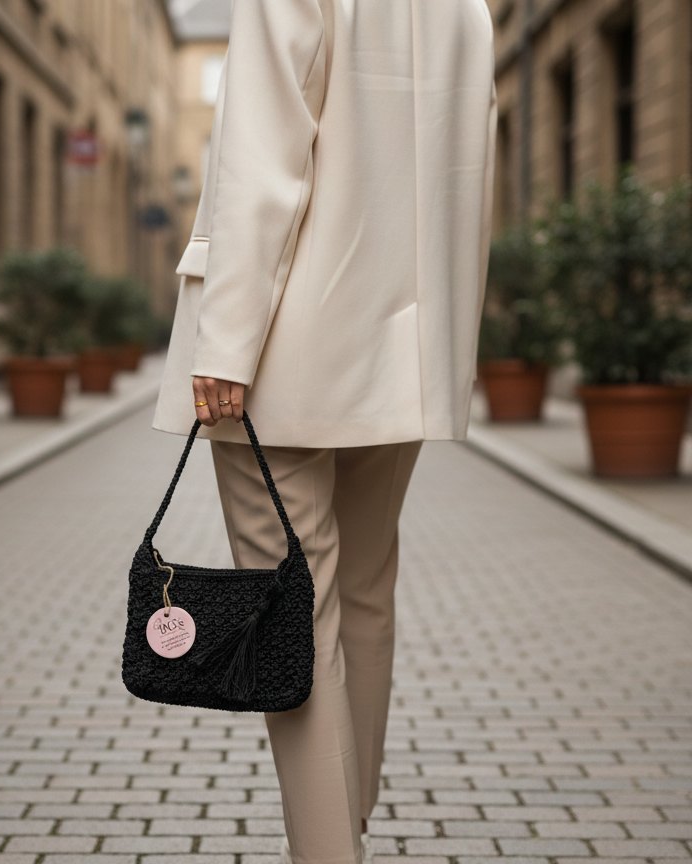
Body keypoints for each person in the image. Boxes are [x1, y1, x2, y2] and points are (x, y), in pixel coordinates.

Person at [153, 0, 497, 860]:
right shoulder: (466, 7)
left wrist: (225, 342)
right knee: (365, 595)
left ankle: (329, 850)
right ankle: (346, 831)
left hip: (282, 353)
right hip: (403, 348)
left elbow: (262, 154)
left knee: (293, 622)